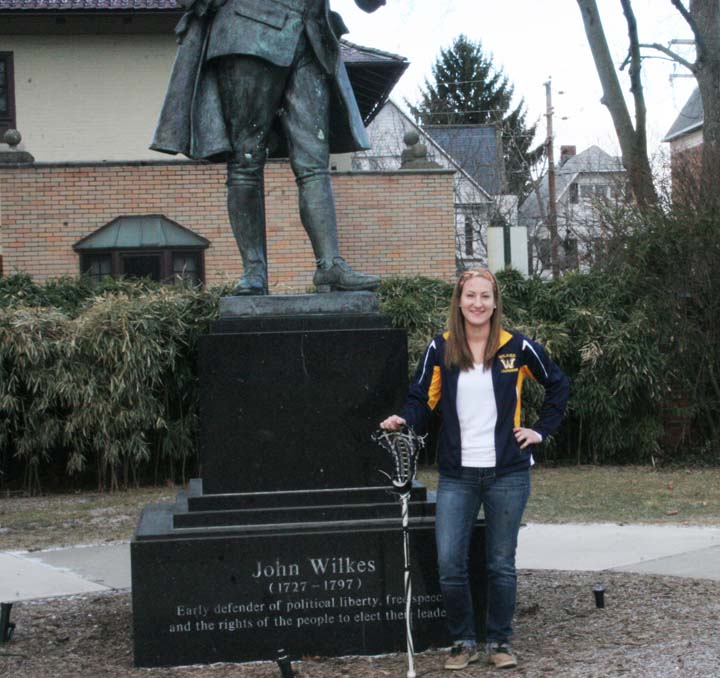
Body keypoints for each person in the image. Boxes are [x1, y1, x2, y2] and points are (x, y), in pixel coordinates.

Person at [380, 269, 569, 671]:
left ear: (495, 302)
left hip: (508, 473)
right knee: (450, 563)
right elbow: (422, 400)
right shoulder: (442, 347)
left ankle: (499, 641)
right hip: (458, 475)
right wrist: (403, 420)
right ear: (459, 301)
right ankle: (463, 641)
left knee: (501, 562)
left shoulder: (515, 346)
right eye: (470, 296)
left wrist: (540, 430)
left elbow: (558, 383)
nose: (478, 303)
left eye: (485, 296)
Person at [151, 0, 386, 295]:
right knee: (246, 159)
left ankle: (330, 265)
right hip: (249, 28)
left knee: (314, 162)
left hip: (311, 36)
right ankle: (254, 270)